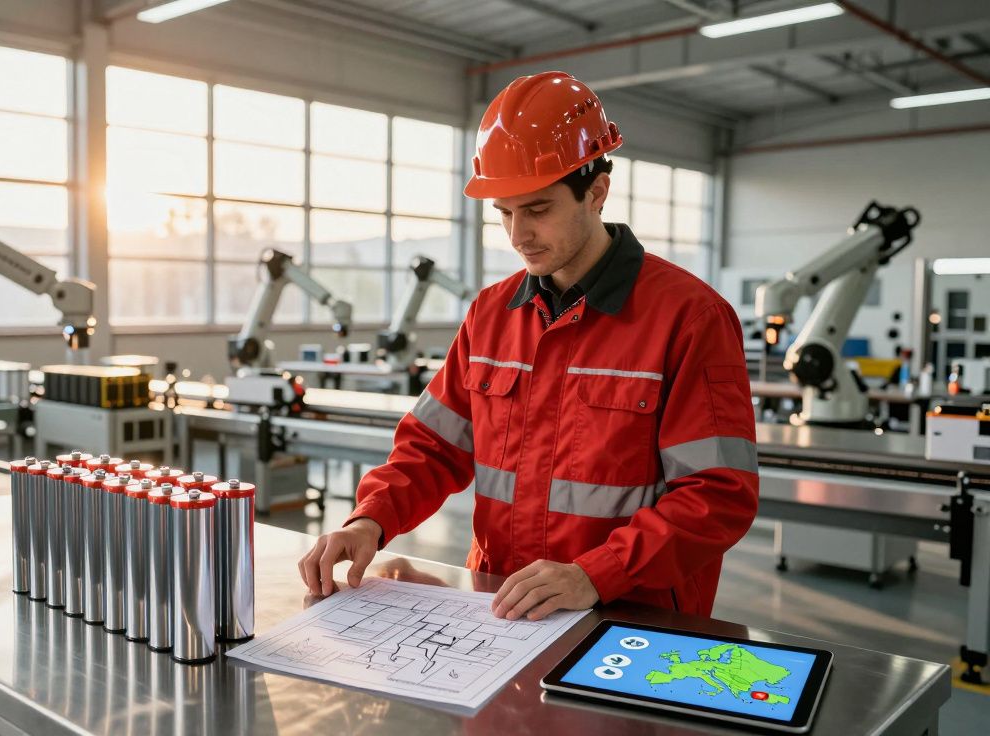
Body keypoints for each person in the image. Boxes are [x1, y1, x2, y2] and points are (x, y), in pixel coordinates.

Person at [298, 71, 758, 621]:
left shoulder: (688, 318)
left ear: (597, 192)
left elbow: (717, 494)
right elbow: (433, 447)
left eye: (538, 210)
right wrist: (371, 518)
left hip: (630, 616)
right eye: (505, 213)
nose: (518, 235)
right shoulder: (491, 314)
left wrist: (597, 573)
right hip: (501, 611)